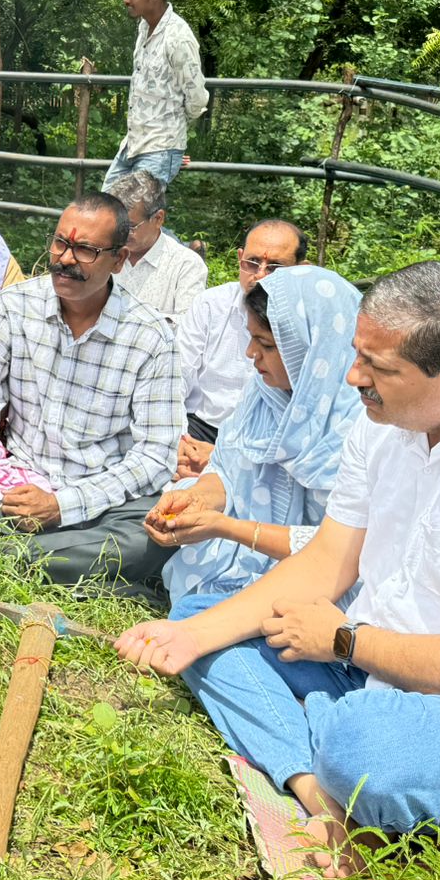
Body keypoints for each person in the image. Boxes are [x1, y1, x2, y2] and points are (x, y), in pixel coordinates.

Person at [116, 262, 440, 876]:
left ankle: (330, 749)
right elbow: (328, 560)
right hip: (381, 673)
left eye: (378, 367)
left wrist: (344, 639)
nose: (353, 377)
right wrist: (190, 637)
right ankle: (321, 793)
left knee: (366, 745)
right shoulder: (389, 424)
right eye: (357, 354)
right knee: (205, 618)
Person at [0, 192, 182, 595]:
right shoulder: (15, 307)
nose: (65, 259)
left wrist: (62, 506)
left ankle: (5, 558)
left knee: (148, 539)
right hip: (17, 491)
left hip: (102, 501)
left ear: (119, 259)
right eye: (60, 243)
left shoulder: (151, 337)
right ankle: (69, 570)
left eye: (85, 250)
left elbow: (154, 458)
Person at [146, 266, 363, 608]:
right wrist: (198, 498)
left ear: (311, 348)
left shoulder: (362, 425)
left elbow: (345, 550)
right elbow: (228, 470)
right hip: (248, 556)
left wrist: (227, 528)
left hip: (328, 584)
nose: (250, 353)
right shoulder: (262, 395)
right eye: (251, 338)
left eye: (266, 344)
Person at [179, 219, 308, 462]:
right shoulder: (210, 305)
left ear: (302, 269)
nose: (260, 275)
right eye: (252, 262)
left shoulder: (309, 321)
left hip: (271, 441)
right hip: (200, 430)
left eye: (275, 268)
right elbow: (176, 378)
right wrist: (179, 442)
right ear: (240, 258)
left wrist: (224, 459)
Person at [105, 0, 207, 188]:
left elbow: (197, 99)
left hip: (159, 150)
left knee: (133, 211)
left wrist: (171, 138)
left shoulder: (178, 38)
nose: (126, 0)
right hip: (133, 145)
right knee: (105, 205)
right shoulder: (144, 26)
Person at [105, 171, 206, 327]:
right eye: (115, 225)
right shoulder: (102, 252)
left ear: (158, 219)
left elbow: (190, 325)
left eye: (130, 227)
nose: (121, 233)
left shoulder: (186, 264)